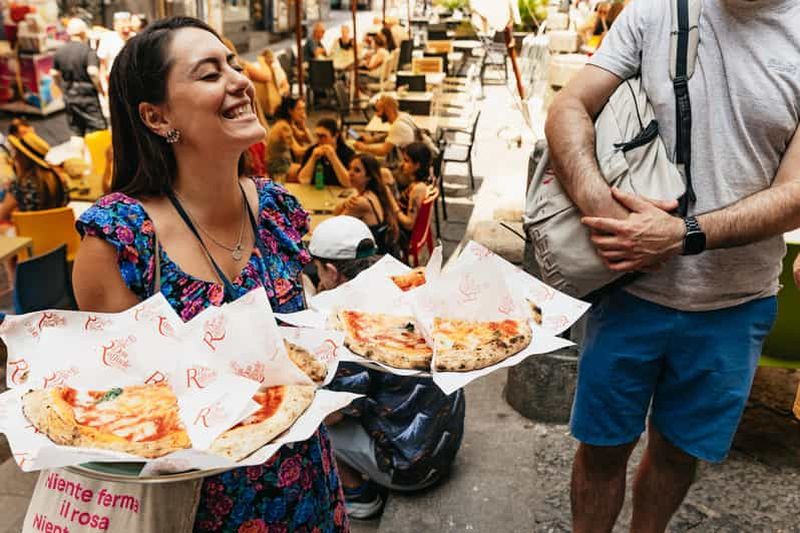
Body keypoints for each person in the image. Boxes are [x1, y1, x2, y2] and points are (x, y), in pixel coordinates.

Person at [70, 17, 348, 531]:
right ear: (156, 117)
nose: (241, 81)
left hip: (308, 491)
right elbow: (120, 412)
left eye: (234, 65)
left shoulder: (279, 209)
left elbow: (301, 360)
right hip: (193, 512)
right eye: (209, 73)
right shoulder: (120, 239)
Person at [544, 1, 800, 532]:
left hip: (735, 303)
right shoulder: (655, 10)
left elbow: (796, 193)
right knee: (601, 448)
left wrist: (684, 235)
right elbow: (569, 107)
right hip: (630, 289)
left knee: (678, 454)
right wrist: (600, 206)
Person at [308, 216, 465, 519]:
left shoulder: (348, 323)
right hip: (447, 444)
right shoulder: (409, 281)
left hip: (412, 469)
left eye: (318, 269)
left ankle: (358, 496)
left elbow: (333, 414)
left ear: (330, 270)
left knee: (308, 421)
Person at [51, 18, 107, 136]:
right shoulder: (88, 51)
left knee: (76, 133)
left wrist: (61, 88)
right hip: (87, 98)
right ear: (83, 33)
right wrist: (100, 90)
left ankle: (78, 155)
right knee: (99, 131)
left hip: (69, 98)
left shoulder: (60, 51)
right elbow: (93, 72)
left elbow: (54, 73)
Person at [334, 154, 399, 255]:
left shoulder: (361, 202)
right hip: (379, 253)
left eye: (357, 170)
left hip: (366, 258)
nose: (350, 173)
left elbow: (335, 225)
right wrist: (346, 203)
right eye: (349, 168)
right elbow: (336, 211)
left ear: (369, 176)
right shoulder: (375, 193)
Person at [1, 131, 68, 218]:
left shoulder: (19, 186)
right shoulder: (59, 178)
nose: (13, 157)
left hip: (29, 230)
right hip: (57, 228)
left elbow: (2, 214)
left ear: (21, 158)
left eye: (16, 153)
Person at [385, 142, 432, 245]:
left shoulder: (418, 189)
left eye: (406, 161)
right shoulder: (421, 181)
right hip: (397, 224)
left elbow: (409, 224)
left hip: (400, 233)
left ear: (417, 165)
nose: (402, 164)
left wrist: (391, 201)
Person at [354, 95, 415, 167]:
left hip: (409, 165)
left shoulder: (397, 126)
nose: (377, 115)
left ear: (387, 110)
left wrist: (364, 148)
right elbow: (392, 135)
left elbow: (383, 151)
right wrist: (373, 139)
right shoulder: (404, 116)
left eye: (378, 111)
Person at [298, 117, 354, 187]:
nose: (318, 140)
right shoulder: (312, 151)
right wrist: (312, 159)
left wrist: (333, 157)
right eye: (317, 136)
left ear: (336, 135)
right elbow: (303, 181)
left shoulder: (347, 153)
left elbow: (348, 183)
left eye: (323, 136)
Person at [96, 12, 133, 92]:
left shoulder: (135, 38)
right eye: (123, 27)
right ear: (115, 26)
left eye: (128, 27)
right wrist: (105, 88)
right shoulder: (107, 39)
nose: (126, 30)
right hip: (113, 81)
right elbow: (102, 67)